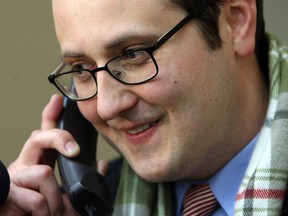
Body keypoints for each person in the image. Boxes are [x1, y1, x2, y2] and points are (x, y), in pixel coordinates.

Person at [1, 0, 288, 215]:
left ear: (236, 22)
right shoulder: (90, 205)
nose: (106, 107)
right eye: (81, 68)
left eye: (134, 54)